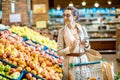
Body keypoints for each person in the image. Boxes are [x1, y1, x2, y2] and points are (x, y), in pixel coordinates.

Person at [57, 6, 90, 80]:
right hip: (70, 62)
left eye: (68, 15)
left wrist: (87, 45)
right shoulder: (62, 32)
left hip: (83, 61)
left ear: (75, 17)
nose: (65, 17)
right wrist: (70, 49)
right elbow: (59, 52)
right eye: (64, 15)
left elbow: (88, 48)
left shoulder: (82, 29)